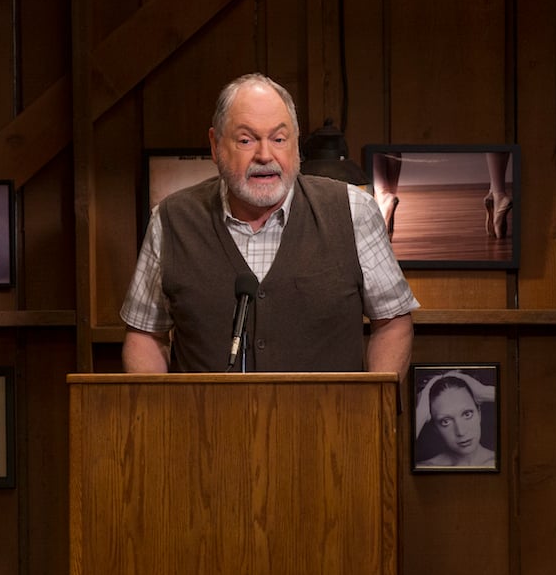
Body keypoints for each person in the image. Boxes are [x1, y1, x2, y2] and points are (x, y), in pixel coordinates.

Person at [120, 73, 418, 376]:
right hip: (203, 422)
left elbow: (393, 323)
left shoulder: (354, 211)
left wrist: (375, 411)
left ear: (295, 142)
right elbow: (146, 335)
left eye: (278, 139)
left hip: (330, 422)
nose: (265, 155)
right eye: (246, 140)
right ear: (216, 145)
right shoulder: (171, 220)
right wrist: (155, 418)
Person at [414, 371, 496, 468]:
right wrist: (420, 413)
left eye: (467, 414)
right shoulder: (424, 468)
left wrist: (486, 393)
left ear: (479, 413)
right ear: (435, 428)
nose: (461, 432)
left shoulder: (506, 462)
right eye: (446, 421)